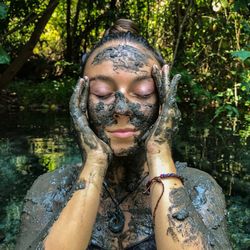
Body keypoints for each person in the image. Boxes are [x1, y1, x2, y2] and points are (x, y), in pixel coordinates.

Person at [16, 19, 231, 250]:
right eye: (102, 93)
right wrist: (95, 163)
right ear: (81, 102)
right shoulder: (51, 189)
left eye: (142, 92)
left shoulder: (198, 189)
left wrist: (159, 153)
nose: (121, 110)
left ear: (162, 101)